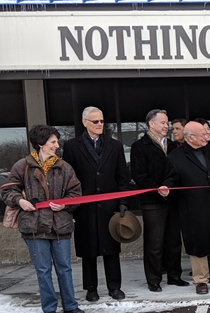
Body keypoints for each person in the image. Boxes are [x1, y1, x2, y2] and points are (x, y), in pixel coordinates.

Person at [0, 125, 84, 313]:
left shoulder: (65, 167)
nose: (57, 145)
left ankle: (71, 306)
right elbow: (7, 190)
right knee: (43, 271)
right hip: (34, 228)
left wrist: (65, 204)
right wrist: (20, 201)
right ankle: (49, 308)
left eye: (56, 142)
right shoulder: (22, 166)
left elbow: (76, 192)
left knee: (65, 268)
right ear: (40, 144)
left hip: (60, 226)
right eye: (53, 142)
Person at [158, 121, 210, 295]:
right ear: (190, 138)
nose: (207, 136)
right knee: (198, 245)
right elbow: (171, 180)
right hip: (193, 208)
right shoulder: (175, 156)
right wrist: (166, 189)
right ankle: (201, 281)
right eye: (202, 133)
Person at [62, 107, 130, 302]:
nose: (100, 124)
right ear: (85, 123)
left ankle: (114, 286)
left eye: (102, 121)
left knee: (111, 249)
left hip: (109, 207)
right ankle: (91, 288)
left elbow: (122, 178)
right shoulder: (72, 146)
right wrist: (71, 207)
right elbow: (69, 178)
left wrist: (123, 202)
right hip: (85, 208)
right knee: (88, 249)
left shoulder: (115, 146)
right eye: (95, 121)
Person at [131, 109, 189, 292]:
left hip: (172, 199)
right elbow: (139, 175)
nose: (167, 126)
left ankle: (174, 275)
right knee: (154, 243)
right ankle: (154, 279)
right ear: (151, 124)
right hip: (152, 201)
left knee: (174, 241)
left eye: (167, 123)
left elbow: (177, 172)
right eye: (163, 123)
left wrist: (168, 187)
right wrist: (158, 189)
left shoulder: (172, 146)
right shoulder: (140, 146)